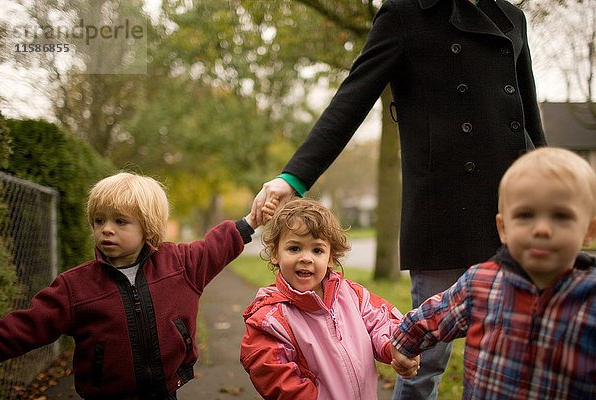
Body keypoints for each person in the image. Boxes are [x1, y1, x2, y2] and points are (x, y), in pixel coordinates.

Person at [250, 0, 547, 397]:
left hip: (515, 208)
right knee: (425, 359)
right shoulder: (406, 14)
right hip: (444, 211)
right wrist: (295, 177)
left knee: (503, 356)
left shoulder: (512, 17)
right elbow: (354, 95)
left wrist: (554, 194)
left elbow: (528, 117)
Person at [0, 172, 276, 400]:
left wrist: (251, 221)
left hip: (166, 392)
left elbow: (216, 247)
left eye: (120, 221)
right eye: (99, 220)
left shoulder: (180, 265)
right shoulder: (75, 287)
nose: (106, 229)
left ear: (148, 228)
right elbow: (25, 328)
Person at [390, 147, 596, 399]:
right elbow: (435, 314)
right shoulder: (482, 283)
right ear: (503, 228)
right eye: (525, 215)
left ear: (589, 230)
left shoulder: (591, 299)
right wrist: (404, 342)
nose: (542, 229)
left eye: (561, 216)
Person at [240, 198, 414, 399]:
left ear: (330, 257)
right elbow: (277, 378)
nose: (306, 258)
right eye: (294, 248)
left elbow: (382, 323)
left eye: (317, 250)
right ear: (275, 254)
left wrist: (399, 347)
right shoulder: (270, 321)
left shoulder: (352, 295)